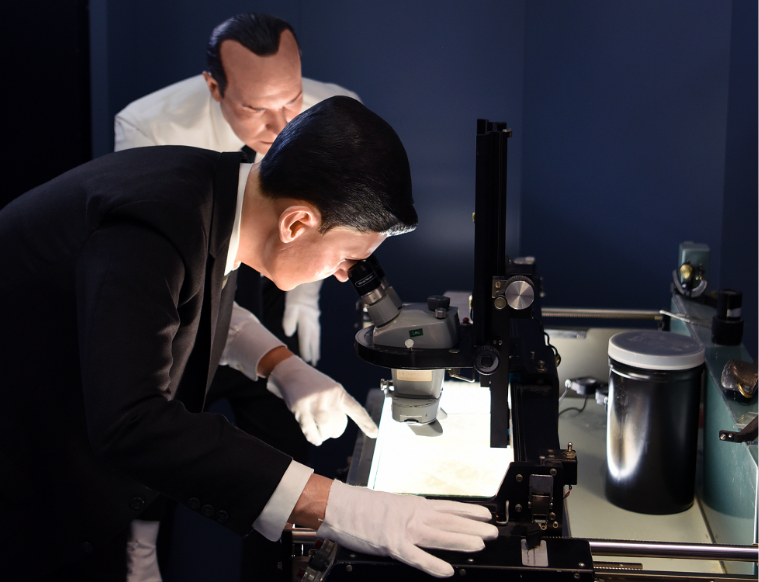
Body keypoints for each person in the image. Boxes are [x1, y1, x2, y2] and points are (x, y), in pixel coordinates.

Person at [0, 97, 498, 581]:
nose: (347, 275)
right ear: (297, 223)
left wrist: (280, 363)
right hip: (26, 484)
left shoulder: (215, 190)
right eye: (347, 256)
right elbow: (132, 421)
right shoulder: (149, 228)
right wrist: (339, 507)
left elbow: (179, 301)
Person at [114, 14, 362, 577]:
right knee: (165, 442)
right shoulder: (148, 127)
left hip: (281, 282)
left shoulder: (336, 110)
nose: (281, 125)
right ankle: (142, 551)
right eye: (256, 109)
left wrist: (303, 302)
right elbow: (167, 278)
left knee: (281, 448)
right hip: (177, 291)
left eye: (292, 99)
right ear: (215, 88)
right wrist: (275, 359)